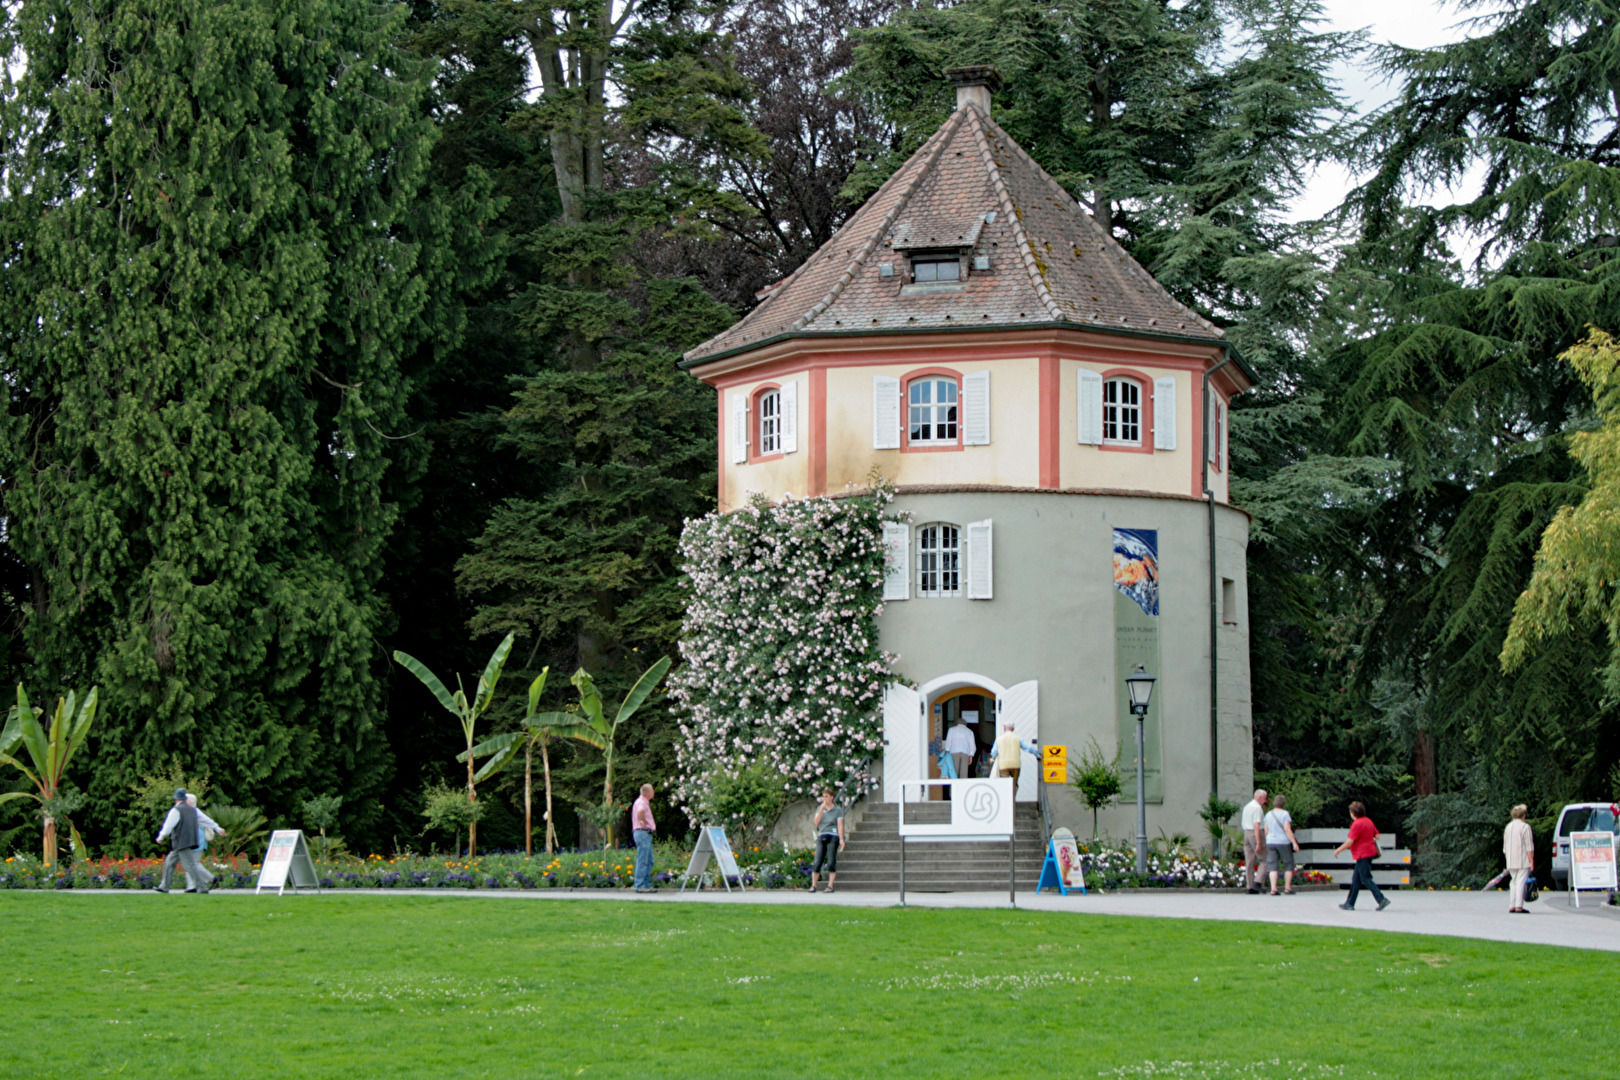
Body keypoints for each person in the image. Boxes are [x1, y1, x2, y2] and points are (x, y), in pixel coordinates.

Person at [155, 789, 224, 895]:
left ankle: (201, 887)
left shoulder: (176, 810)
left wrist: (161, 836)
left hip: (180, 842)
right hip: (189, 841)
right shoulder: (193, 810)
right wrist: (217, 828)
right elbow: (206, 820)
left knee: (190, 865)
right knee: (169, 862)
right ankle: (164, 886)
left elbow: (169, 825)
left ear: (176, 798)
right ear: (185, 798)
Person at [1334, 801, 1389, 911]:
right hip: (1369, 853)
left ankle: (1381, 899)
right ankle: (1349, 903)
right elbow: (1377, 835)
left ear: (1354, 813)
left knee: (1366, 879)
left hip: (1362, 854)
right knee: (1356, 880)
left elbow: (1350, 841)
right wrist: (1369, 840)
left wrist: (1338, 850)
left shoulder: (1357, 824)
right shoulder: (1368, 821)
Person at [808, 788, 846, 893]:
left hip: (833, 835)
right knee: (817, 861)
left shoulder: (837, 810)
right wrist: (821, 809)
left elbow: (840, 825)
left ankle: (830, 886)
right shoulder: (820, 808)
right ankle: (813, 885)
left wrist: (841, 839)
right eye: (823, 796)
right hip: (822, 835)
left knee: (831, 862)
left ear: (831, 797)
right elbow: (816, 822)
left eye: (826, 797)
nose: (825, 799)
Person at [1264, 793, 1300, 895]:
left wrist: (1268, 839)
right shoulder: (1285, 814)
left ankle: (1273, 889)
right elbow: (1287, 829)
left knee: (1272, 866)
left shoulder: (1268, 814)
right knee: (1288, 864)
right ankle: (1287, 888)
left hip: (1271, 842)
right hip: (1283, 842)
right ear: (1283, 803)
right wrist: (1294, 843)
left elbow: (1266, 831)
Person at [1503, 803, 1534, 914]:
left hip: (1510, 859)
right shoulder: (1525, 827)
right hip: (1522, 859)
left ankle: (1512, 905)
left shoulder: (1508, 827)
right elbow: (1529, 846)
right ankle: (1519, 906)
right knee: (1521, 881)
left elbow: (1505, 846)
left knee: (1514, 881)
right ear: (1524, 816)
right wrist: (1531, 860)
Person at [1240, 789, 1268, 894]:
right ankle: (1258, 882)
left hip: (1246, 833)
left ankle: (1250, 886)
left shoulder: (1247, 806)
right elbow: (1256, 825)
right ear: (1260, 798)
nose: (1265, 801)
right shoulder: (1257, 808)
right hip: (1254, 833)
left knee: (1250, 860)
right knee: (1265, 859)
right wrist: (1259, 842)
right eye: (1265, 798)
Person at [631, 784, 657, 893]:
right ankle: (640, 885)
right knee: (643, 860)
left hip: (644, 834)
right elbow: (640, 811)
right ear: (648, 793)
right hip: (643, 833)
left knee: (649, 860)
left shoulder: (641, 801)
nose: (653, 792)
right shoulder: (642, 802)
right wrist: (643, 821)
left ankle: (646, 884)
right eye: (652, 790)